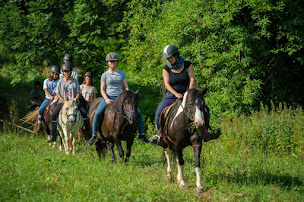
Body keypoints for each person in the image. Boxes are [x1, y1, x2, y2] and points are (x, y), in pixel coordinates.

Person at [151, 45, 214, 144]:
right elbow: (167, 84)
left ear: (176, 55)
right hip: (172, 94)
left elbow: (192, 78)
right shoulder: (166, 69)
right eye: (167, 58)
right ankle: (160, 135)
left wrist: (189, 92)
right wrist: (176, 94)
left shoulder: (187, 65)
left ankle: (206, 131)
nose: (169, 59)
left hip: (187, 93)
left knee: (205, 108)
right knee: (159, 112)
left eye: (170, 57)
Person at [88, 52, 148, 145]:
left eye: (114, 61)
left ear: (117, 62)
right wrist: (106, 99)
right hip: (109, 97)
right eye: (111, 61)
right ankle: (93, 135)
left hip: (121, 98)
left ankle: (142, 134)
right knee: (97, 113)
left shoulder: (121, 73)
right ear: (107, 62)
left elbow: (126, 87)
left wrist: (129, 95)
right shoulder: (105, 75)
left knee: (138, 112)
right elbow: (102, 89)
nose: (113, 63)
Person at [47, 63, 91, 142]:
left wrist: (76, 98)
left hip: (73, 102)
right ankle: (53, 136)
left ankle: (89, 134)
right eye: (65, 72)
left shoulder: (75, 82)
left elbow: (78, 92)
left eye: (68, 71)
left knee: (84, 113)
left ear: (71, 72)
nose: (66, 73)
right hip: (63, 102)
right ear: (63, 72)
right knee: (53, 115)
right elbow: (57, 93)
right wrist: (63, 101)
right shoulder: (60, 82)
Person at [37, 65, 60, 130]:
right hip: (48, 98)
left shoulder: (59, 81)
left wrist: (56, 96)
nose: (56, 75)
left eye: (57, 74)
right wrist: (50, 96)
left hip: (57, 98)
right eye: (55, 74)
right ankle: (40, 124)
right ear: (51, 73)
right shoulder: (46, 81)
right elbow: (46, 90)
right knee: (40, 110)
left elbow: (59, 90)